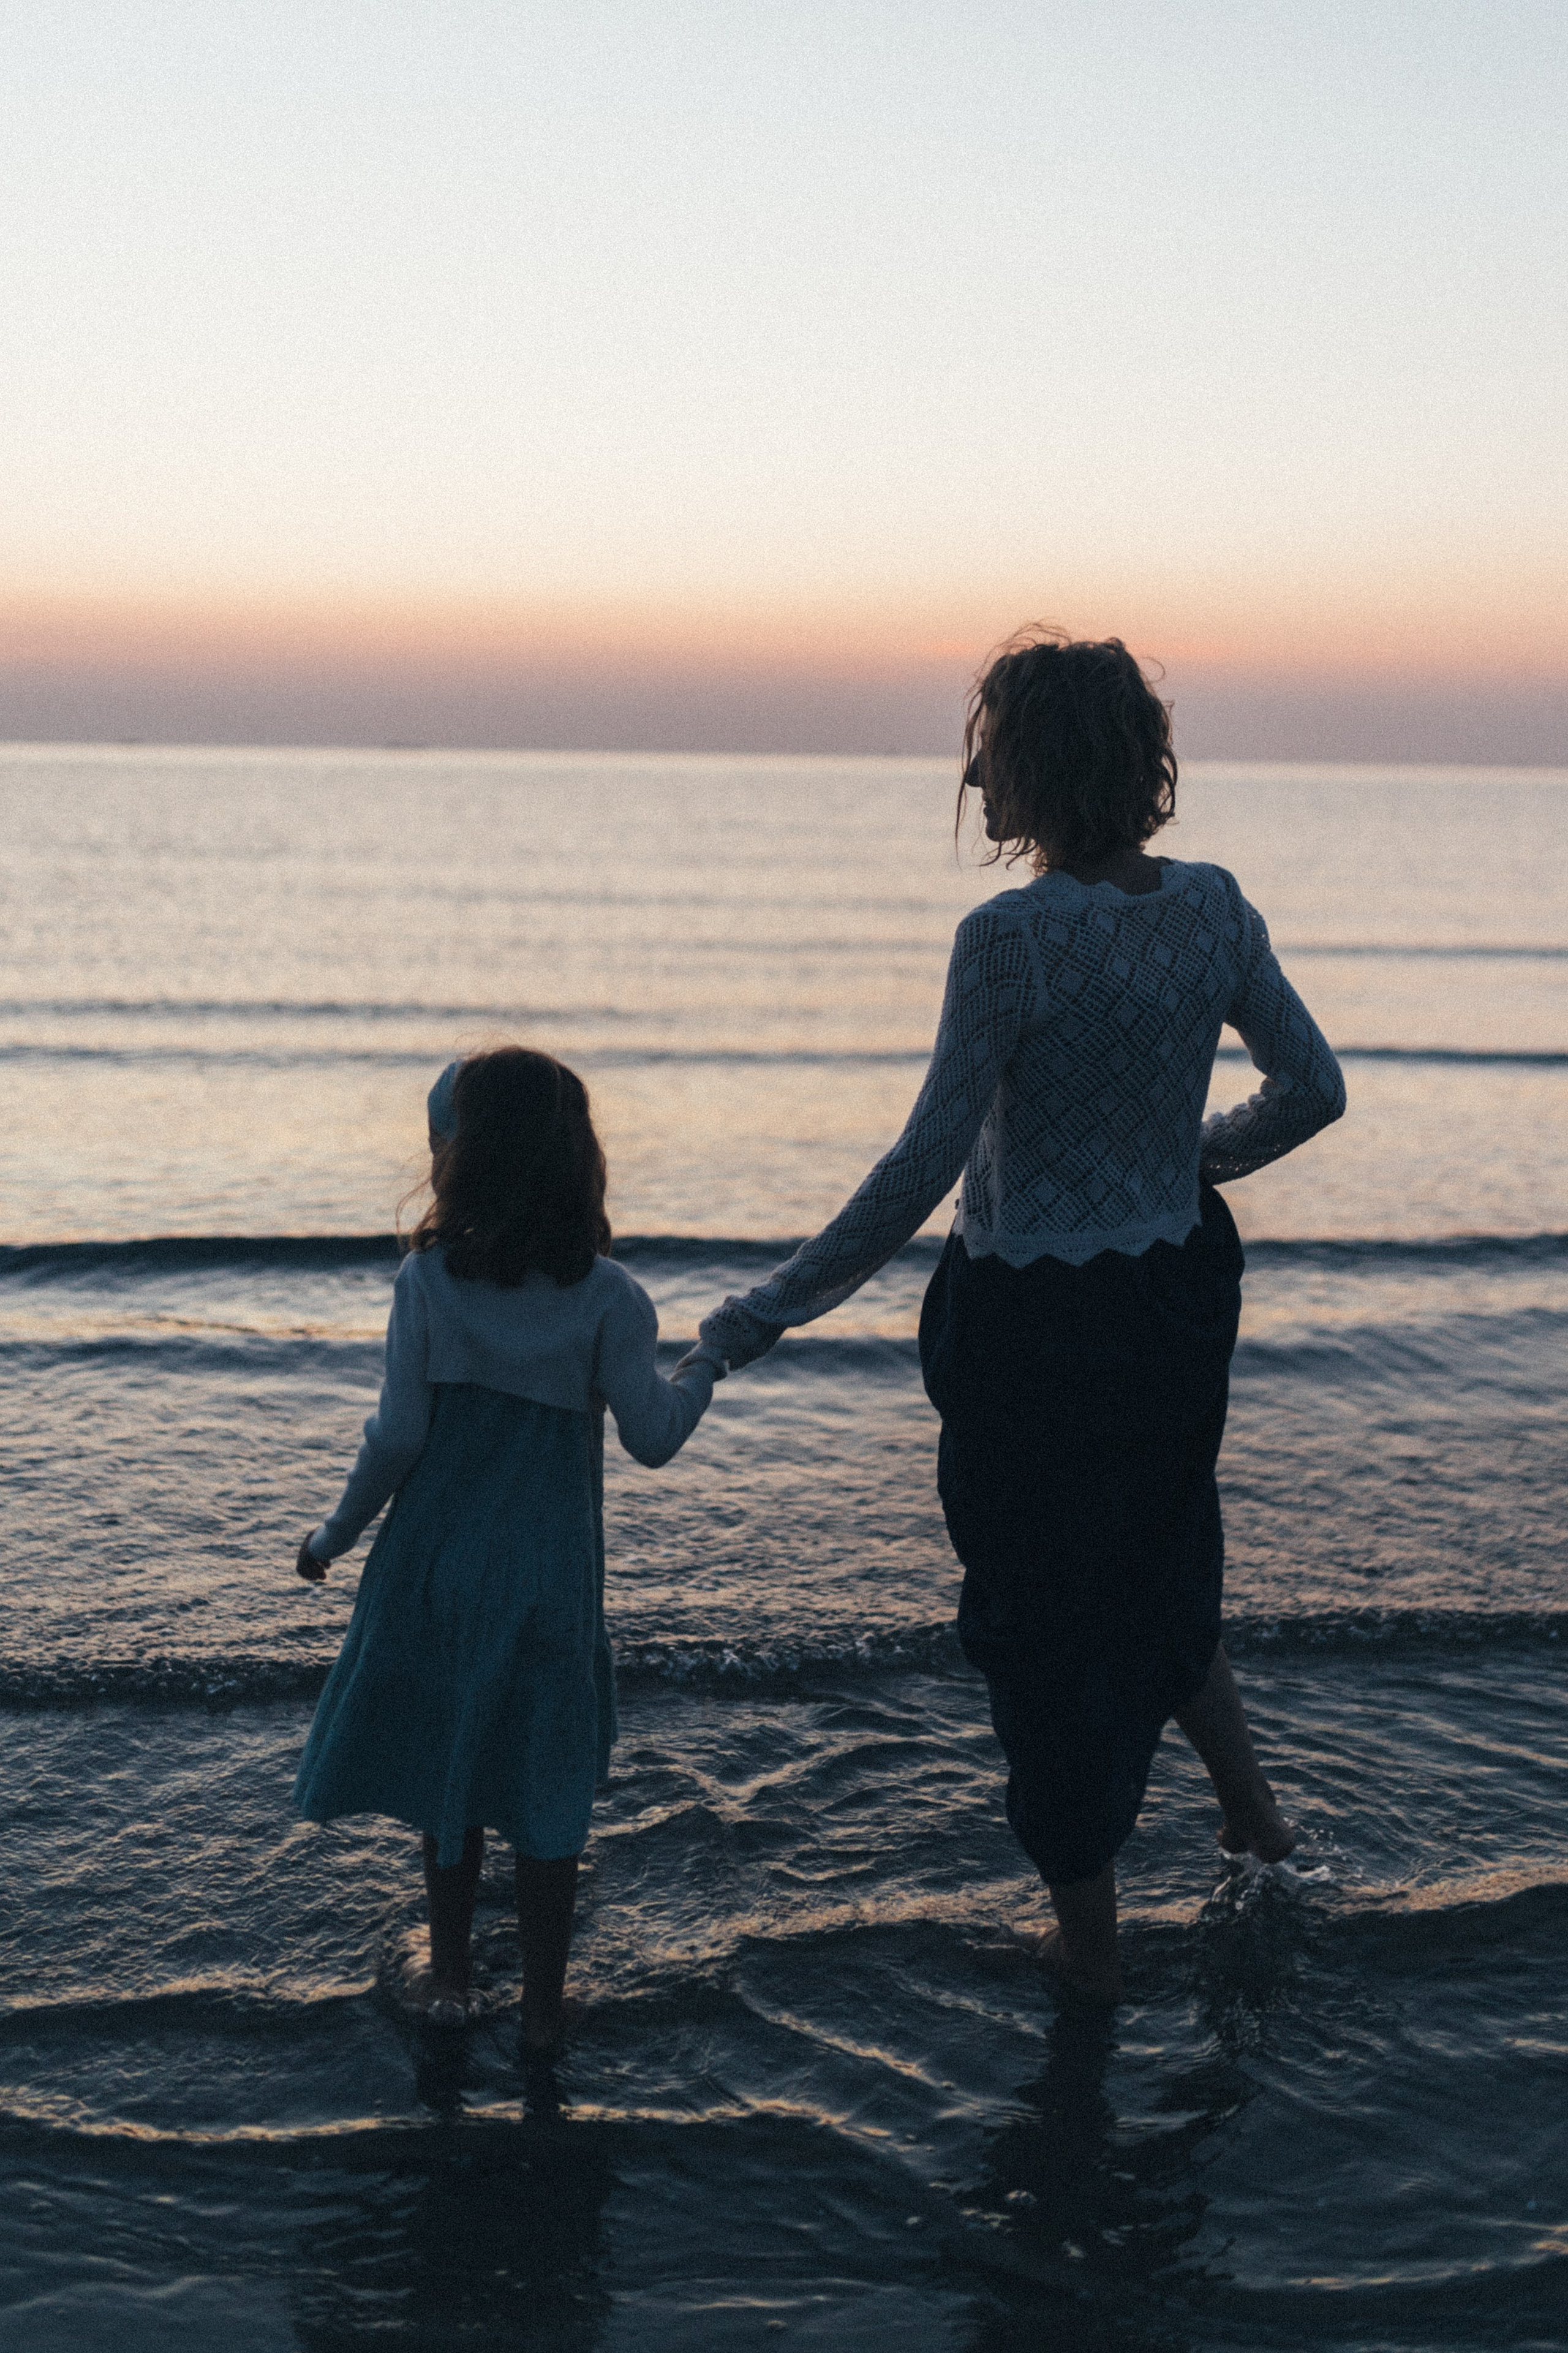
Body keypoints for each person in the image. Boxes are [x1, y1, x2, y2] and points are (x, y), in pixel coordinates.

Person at [687, 630, 1346, 2005]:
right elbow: (1312, 1090)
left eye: (987, 747)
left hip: (1030, 1331)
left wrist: (753, 1318)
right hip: (1169, 1299)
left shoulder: (1005, 943)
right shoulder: (1214, 907)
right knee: (1158, 1553)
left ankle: (1092, 1942)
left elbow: (920, 1167)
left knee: (1040, 1620)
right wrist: (1189, 1156)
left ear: (1035, 764)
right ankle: (1254, 1820)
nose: (973, 771)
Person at [292, 1046, 723, 2045]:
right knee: (542, 1780)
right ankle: (540, 2008)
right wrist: (711, 1360)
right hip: (549, 1581)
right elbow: (654, 1437)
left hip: (433, 1568)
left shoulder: (429, 1281)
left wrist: (332, 1535)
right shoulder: (611, 1296)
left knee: (456, 1767)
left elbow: (396, 1440)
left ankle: (447, 1977)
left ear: (463, 1162)